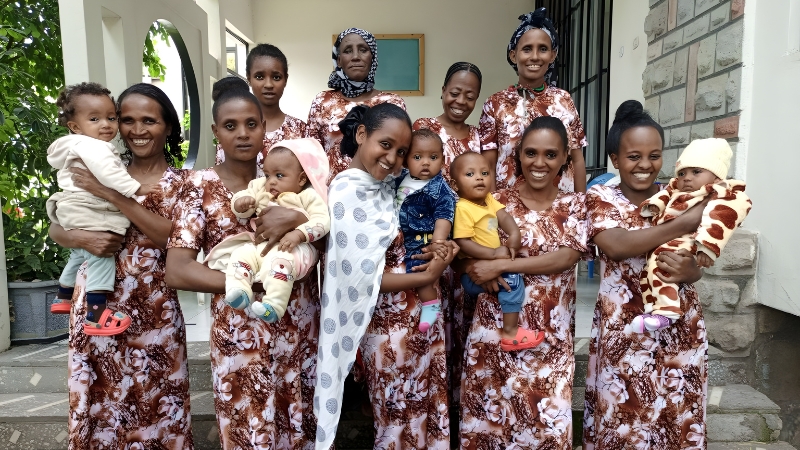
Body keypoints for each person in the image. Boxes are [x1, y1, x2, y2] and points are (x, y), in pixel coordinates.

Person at [166, 84, 323, 449]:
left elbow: (327, 234)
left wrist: (296, 218)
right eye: (231, 125)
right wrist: (244, 281)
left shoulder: (295, 177)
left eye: (251, 124)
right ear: (215, 131)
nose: (242, 133)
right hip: (240, 333)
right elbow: (178, 269)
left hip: (297, 327)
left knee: (298, 425)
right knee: (247, 431)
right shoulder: (198, 187)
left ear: (265, 127)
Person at [51, 83, 194, 449]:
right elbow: (58, 225)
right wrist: (82, 239)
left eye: (149, 120)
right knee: (103, 407)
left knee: (160, 407)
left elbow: (171, 238)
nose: (136, 129)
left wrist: (112, 195)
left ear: (168, 127)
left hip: (155, 312)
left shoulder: (186, 183)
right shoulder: (96, 164)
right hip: (100, 311)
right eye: (126, 120)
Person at [313, 104, 458, 450]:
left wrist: (445, 249)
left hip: (423, 323)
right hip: (388, 333)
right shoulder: (348, 193)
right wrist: (432, 273)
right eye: (385, 144)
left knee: (425, 415)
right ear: (362, 135)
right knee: (395, 425)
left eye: (402, 152)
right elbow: (361, 279)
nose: (393, 158)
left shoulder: (393, 188)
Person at [583, 100, 708, 449]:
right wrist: (683, 222)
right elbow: (617, 245)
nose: (645, 165)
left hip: (680, 324)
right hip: (625, 324)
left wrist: (692, 271)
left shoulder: (678, 196)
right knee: (626, 415)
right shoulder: (600, 198)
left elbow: (699, 255)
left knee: (678, 413)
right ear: (615, 159)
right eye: (634, 156)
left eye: (654, 155)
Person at [459, 117, 587, 447]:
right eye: (530, 153)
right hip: (495, 334)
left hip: (551, 339)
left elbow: (566, 257)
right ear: (518, 155)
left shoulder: (575, 205)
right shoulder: (493, 200)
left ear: (564, 159)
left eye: (550, 154)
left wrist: (502, 263)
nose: (539, 163)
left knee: (550, 429)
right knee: (491, 428)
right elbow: (464, 247)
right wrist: (477, 266)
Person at [47, 82, 152, 336]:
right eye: (95, 119)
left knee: (79, 254)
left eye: (111, 117)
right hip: (88, 209)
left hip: (73, 209)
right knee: (101, 257)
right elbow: (109, 175)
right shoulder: (96, 148)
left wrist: (77, 236)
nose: (106, 124)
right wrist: (136, 189)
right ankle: (95, 315)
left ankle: (63, 294)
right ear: (75, 126)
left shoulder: (75, 146)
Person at [634, 138, 752, 332]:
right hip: (668, 239)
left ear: (716, 176)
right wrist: (654, 206)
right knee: (650, 269)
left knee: (662, 266)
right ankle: (653, 306)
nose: (687, 178)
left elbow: (722, 219)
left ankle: (667, 311)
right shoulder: (676, 188)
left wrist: (707, 246)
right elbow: (664, 195)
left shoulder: (722, 193)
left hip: (689, 241)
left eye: (696, 171)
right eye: (682, 173)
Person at [207, 138, 329, 322]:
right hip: (261, 244)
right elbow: (245, 195)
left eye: (279, 176)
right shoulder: (260, 187)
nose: (271, 182)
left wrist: (299, 233)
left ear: (302, 178)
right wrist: (241, 203)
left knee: (280, 263)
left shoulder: (308, 196)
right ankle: (239, 291)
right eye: (267, 175)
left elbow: (322, 221)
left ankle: (273, 306)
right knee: (241, 254)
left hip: (293, 249)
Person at [480, 7, 587, 192]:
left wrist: (581, 206)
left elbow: (576, 159)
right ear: (513, 55)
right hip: (509, 208)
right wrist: (493, 211)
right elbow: (488, 165)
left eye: (543, 49)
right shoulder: (495, 104)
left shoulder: (563, 100)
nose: (535, 56)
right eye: (527, 49)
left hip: (561, 207)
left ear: (552, 55)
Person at [451, 151, 545, 351]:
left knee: (509, 281)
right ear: (455, 184)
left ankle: (505, 323)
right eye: (470, 174)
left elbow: (505, 218)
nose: (479, 178)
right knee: (513, 282)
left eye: (485, 173)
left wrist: (514, 234)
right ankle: (510, 333)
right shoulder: (462, 208)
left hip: (492, 267)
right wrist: (493, 255)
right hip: (474, 273)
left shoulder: (489, 200)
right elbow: (462, 241)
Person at [306, 27, 406, 183]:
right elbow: (310, 154)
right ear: (339, 60)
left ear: (372, 57)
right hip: (329, 193)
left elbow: (399, 153)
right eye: (347, 50)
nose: (355, 57)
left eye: (363, 50)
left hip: (378, 192)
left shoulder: (392, 102)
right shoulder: (322, 101)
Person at [394, 129, 457, 332]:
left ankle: (432, 305)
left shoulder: (440, 190)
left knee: (421, 269)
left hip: (422, 242)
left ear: (443, 159)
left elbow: (444, 218)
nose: (426, 162)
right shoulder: (398, 179)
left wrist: (437, 243)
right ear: (405, 161)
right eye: (418, 157)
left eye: (433, 157)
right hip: (398, 241)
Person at [215, 43, 307, 171]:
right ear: (248, 78)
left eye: (276, 77)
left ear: (285, 79)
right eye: (259, 77)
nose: (268, 84)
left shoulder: (301, 130)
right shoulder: (231, 130)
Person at [413, 62, 483, 186]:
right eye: (454, 94)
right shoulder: (424, 128)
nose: (461, 101)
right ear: (444, 91)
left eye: (470, 97)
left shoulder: (479, 137)